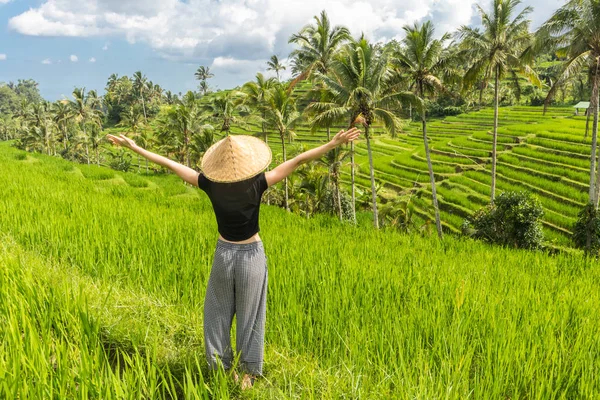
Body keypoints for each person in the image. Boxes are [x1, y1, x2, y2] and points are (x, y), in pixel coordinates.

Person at [106, 127, 360, 389]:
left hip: (224, 254)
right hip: (252, 255)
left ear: (217, 166)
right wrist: (332, 144)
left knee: (216, 311)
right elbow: (297, 160)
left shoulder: (209, 184)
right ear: (249, 163)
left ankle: (222, 369)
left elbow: (169, 164)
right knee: (251, 314)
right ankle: (247, 375)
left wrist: (133, 147)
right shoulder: (258, 182)